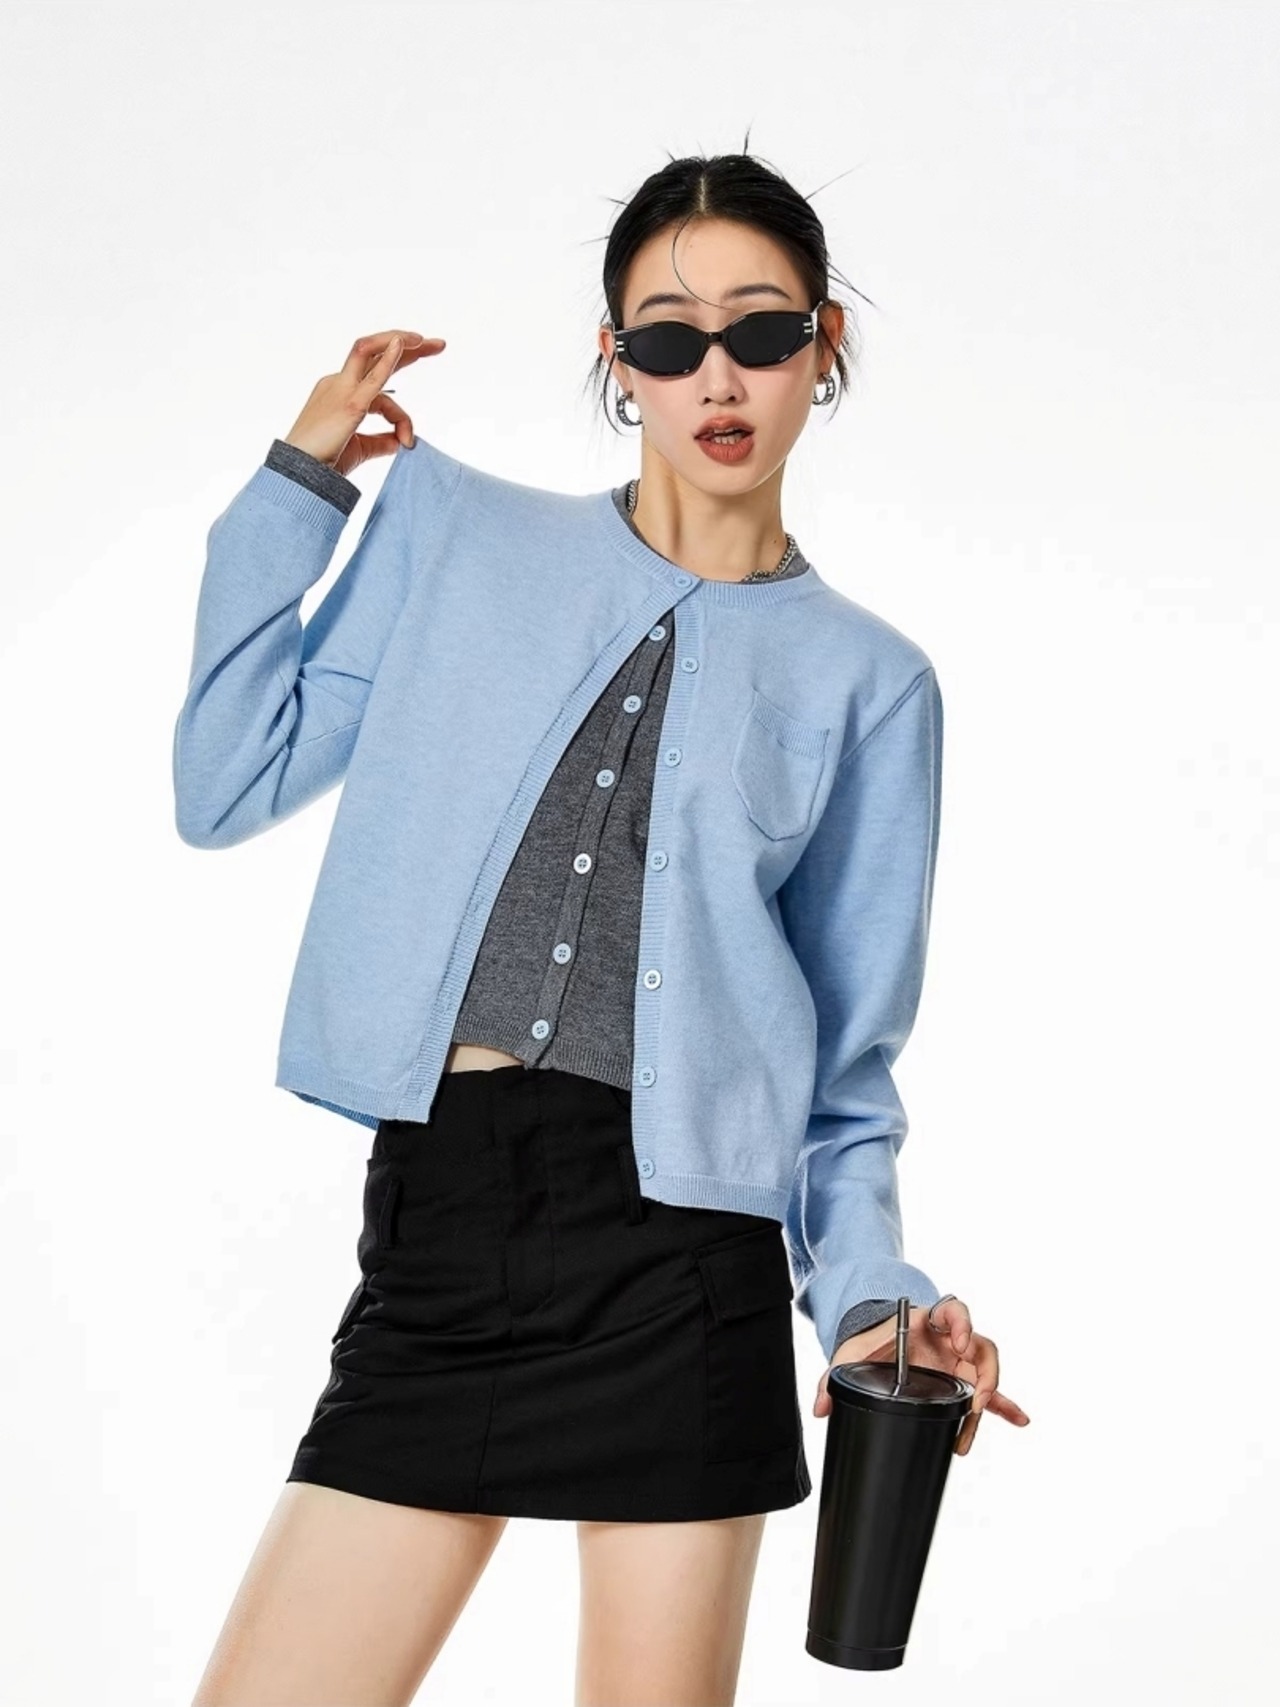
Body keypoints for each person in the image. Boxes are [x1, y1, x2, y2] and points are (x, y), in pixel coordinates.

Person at [180, 149, 1028, 1707]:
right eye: (669, 337)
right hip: (443, 1238)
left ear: (823, 346)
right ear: (616, 360)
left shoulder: (870, 682)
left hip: (685, 1278)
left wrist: (872, 1301)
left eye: (761, 331)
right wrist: (300, 485)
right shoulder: (460, 541)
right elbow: (223, 777)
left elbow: (844, 1080)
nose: (720, 376)